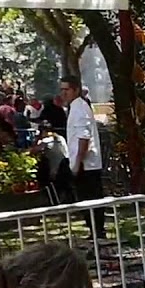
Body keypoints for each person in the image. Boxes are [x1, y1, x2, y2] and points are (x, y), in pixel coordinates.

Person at [61, 75, 106, 237]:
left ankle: (98, 232)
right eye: (61, 90)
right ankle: (94, 231)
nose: (63, 93)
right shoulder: (74, 107)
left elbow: (84, 138)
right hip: (80, 163)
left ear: (76, 90)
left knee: (91, 199)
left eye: (66, 89)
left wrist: (79, 161)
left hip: (86, 165)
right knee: (85, 200)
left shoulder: (79, 108)